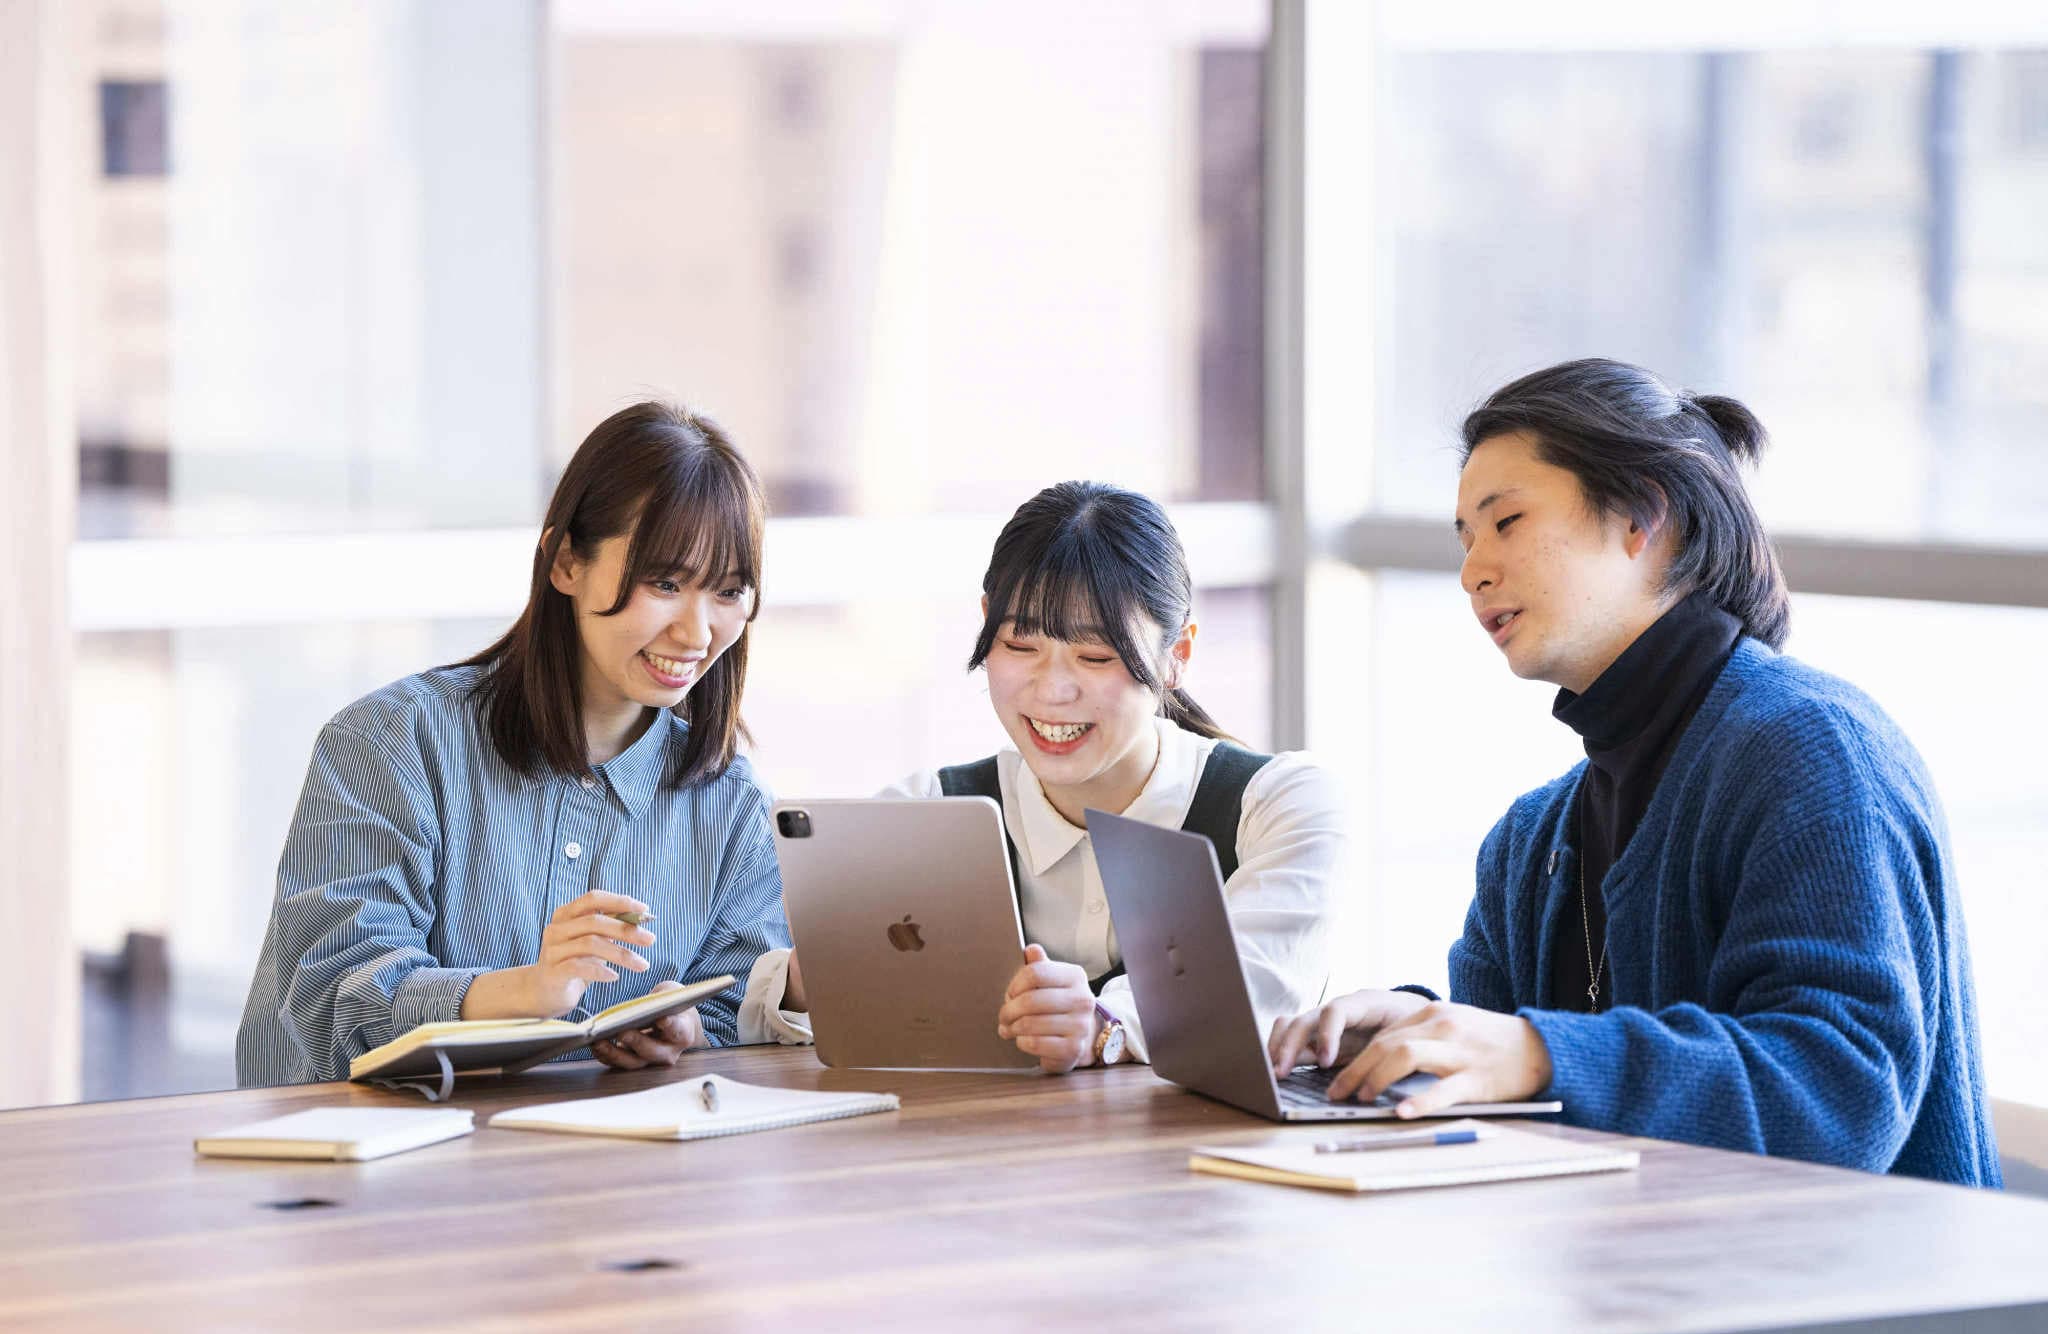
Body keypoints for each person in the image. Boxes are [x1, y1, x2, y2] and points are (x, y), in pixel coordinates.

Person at [1268, 358, 2000, 1186]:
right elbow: (1509, 1106)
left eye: (1505, 522)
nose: (1473, 570)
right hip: (1629, 1293)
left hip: (1853, 1302)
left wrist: (1541, 1054)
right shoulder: (1529, 841)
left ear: (1642, 515)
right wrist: (1414, 1042)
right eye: (1465, 539)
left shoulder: (1812, 751)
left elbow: (1840, 1091)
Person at [237, 401, 809, 1086]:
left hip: (595, 1176)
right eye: (664, 583)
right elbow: (332, 1004)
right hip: (359, 1177)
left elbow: (742, 1008)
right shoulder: (389, 744)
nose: (696, 632)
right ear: (566, 562)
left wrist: (685, 1032)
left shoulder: (732, 802)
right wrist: (527, 992)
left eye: (727, 592)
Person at [754, 481, 1344, 1070]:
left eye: (1096, 657)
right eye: (1020, 644)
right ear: (987, 624)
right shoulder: (923, 813)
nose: (1053, 691)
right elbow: (762, 1002)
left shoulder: (1278, 805)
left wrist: (1102, 1026)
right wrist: (812, 979)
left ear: (1177, 655)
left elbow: (1256, 988)